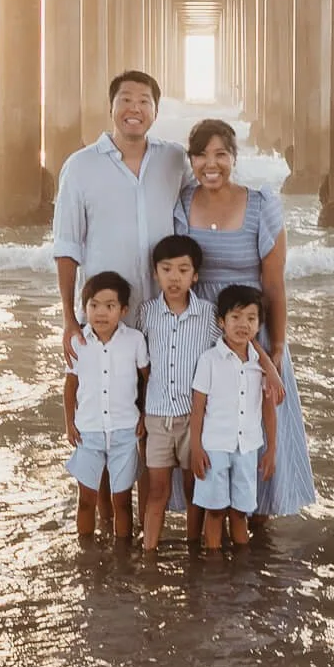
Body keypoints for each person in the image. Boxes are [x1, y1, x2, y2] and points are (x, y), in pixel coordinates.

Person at [173, 118, 317, 519]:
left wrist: (276, 347)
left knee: (256, 420)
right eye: (200, 155)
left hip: (252, 328)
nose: (210, 164)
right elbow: (177, 272)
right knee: (206, 424)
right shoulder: (183, 203)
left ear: (234, 158)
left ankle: (258, 520)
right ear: (192, 160)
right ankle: (202, 519)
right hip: (203, 330)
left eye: (220, 154)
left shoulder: (260, 204)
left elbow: (274, 284)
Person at [49, 72, 190, 358]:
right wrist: (68, 318)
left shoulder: (175, 160)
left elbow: (202, 208)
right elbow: (67, 246)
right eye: (125, 100)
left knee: (162, 402)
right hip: (104, 318)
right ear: (110, 107)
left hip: (165, 317)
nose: (134, 109)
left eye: (144, 101)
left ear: (156, 111)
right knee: (100, 400)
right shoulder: (80, 167)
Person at [138, 234, 216, 558]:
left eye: (183, 270)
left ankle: (194, 551)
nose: (174, 277)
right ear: (155, 272)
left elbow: (231, 352)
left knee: (191, 487)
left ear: (195, 275)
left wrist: (267, 366)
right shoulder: (146, 314)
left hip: (193, 420)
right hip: (156, 418)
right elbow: (138, 366)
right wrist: (138, 412)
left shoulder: (209, 316)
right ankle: (148, 555)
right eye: (166, 269)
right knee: (157, 489)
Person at [187, 285, 277, 551]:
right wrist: (195, 448)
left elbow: (268, 411)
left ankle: (241, 569)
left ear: (259, 325)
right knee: (214, 512)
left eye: (251, 318)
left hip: (247, 448)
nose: (243, 324)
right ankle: (213, 568)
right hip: (214, 447)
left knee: (240, 513)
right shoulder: (209, 360)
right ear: (221, 322)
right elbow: (198, 408)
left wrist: (271, 449)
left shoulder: (261, 367)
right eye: (235, 317)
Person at [64, 270, 146, 541]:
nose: (101, 313)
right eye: (94, 305)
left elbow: (146, 379)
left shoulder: (134, 340)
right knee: (86, 500)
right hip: (89, 432)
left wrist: (144, 415)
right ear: (84, 308)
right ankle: (86, 553)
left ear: (122, 310)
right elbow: (70, 385)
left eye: (109, 306)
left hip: (125, 432)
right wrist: (69, 423)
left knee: (122, 501)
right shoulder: (78, 342)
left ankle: (123, 556)